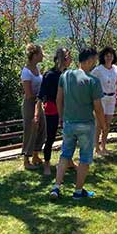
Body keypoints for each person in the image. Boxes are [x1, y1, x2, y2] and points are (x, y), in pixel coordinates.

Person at [49, 48, 106, 200]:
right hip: (86, 124)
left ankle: (56, 187)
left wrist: (61, 117)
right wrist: (103, 124)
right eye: (93, 61)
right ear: (88, 61)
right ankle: (78, 191)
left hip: (68, 122)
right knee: (85, 158)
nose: (94, 64)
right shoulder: (93, 81)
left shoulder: (65, 75)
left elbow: (58, 99)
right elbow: (98, 107)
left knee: (65, 155)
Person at [38, 47, 72, 175]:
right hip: (52, 109)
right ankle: (47, 164)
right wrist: (37, 111)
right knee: (50, 137)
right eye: (69, 57)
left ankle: (68, 161)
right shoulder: (50, 75)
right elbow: (41, 94)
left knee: (69, 136)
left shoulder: (68, 74)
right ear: (64, 59)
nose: (70, 59)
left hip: (67, 108)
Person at [91, 46, 117, 156]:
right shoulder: (98, 70)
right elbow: (91, 82)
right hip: (101, 98)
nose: (109, 58)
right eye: (107, 56)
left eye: (111, 56)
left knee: (107, 124)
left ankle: (104, 146)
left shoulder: (116, 69)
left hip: (111, 98)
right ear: (103, 57)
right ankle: (96, 148)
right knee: (99, 124)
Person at [21, 43, 46, 170]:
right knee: (30, 130)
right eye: (41, 53)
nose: (43, 55)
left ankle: (36, 155)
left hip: (38, 103)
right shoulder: (26, 72)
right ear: (35, 55)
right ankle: (26, 159)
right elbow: (29, 93)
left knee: (42, 128)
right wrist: (41, 96)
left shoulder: (37, 69)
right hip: (30, 104)